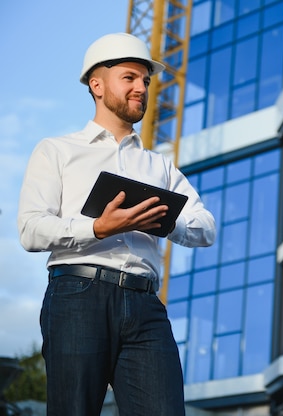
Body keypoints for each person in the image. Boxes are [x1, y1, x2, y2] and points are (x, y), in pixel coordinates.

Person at [17, 32, 216, 416]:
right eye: (130, 77)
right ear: (97, 84)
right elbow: (30, 228)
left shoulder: (160, 166)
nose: (141, 87)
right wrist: (98, 228)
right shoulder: (57, 150)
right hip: (78, 295)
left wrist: (162, 220)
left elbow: (204, 226)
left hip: (145, 305)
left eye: (145, 80)